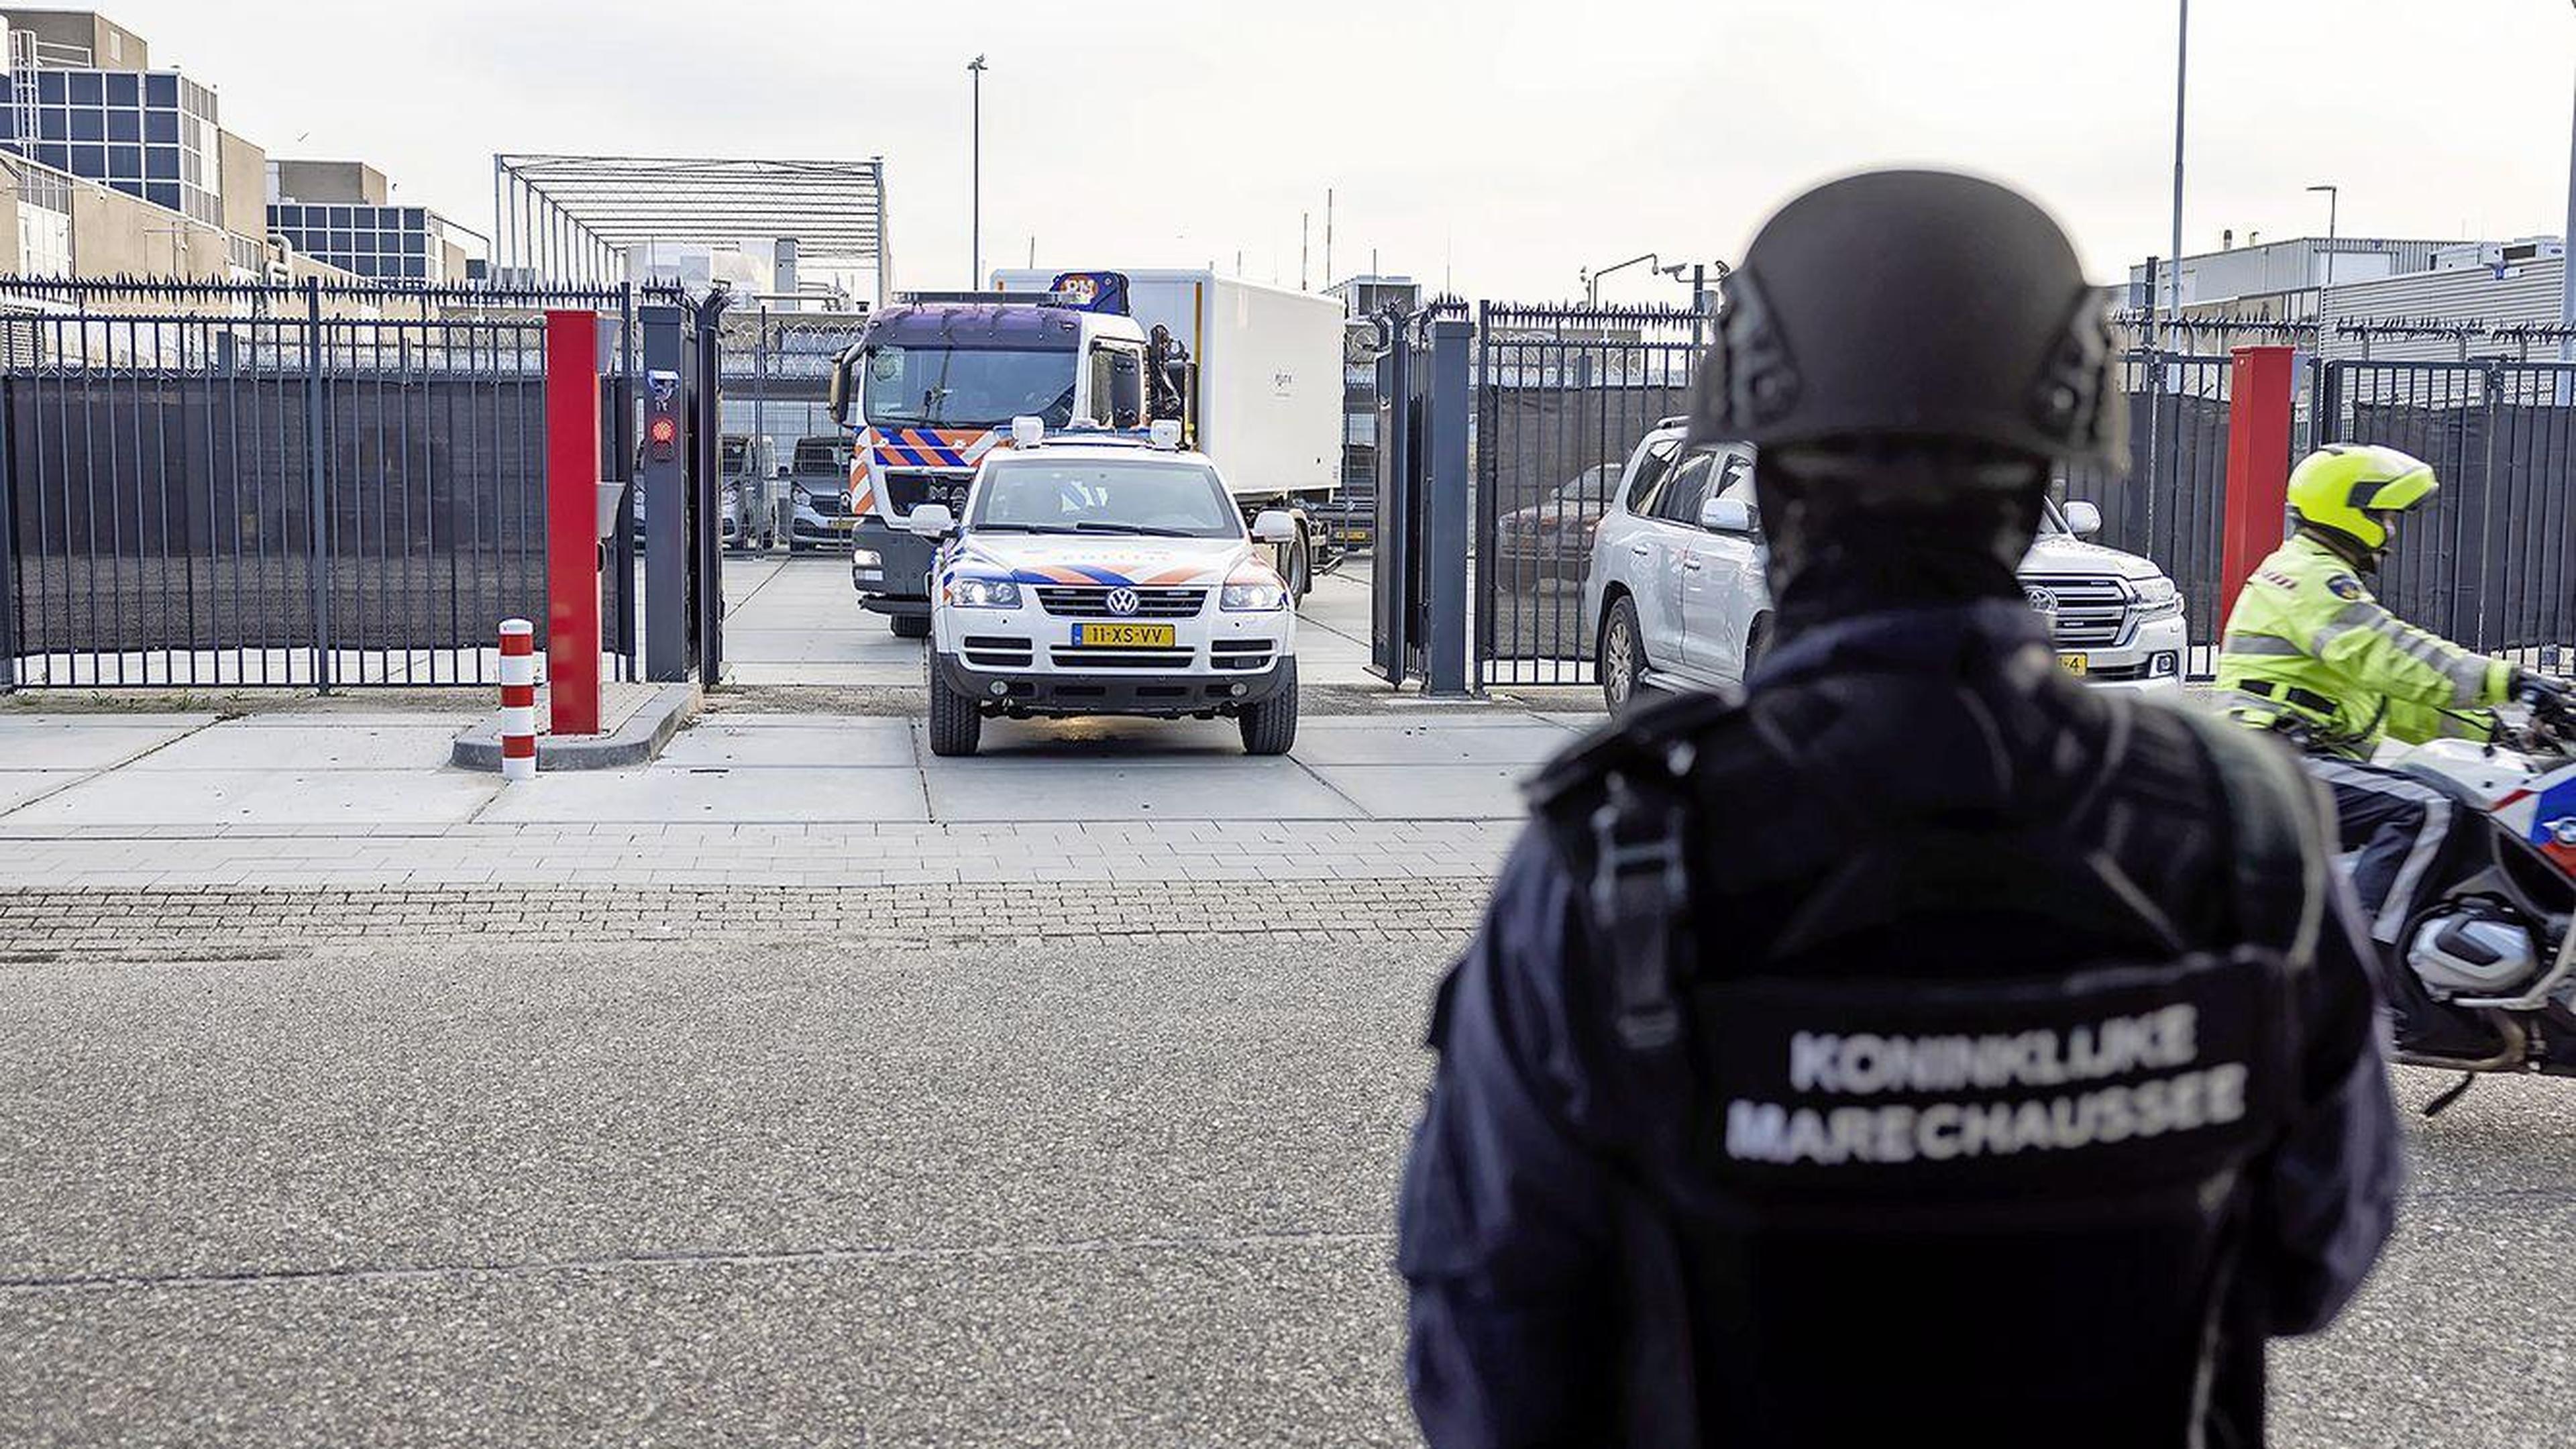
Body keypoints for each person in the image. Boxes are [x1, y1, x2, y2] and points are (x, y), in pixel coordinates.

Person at [1395, 170, 2402, 1448]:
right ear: (2043, 477)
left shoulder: (1616, 852)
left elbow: (1491, 1344)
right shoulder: (2243, 823)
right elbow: (2315, 1254)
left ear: (1766, 492)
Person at [2216, 443, 2570, 964]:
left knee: (2462, 798)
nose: (2392, 530)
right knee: (2427, 810)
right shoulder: (2310, 578)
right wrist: (2510, 679)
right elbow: (2393, 653)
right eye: (2385, 515)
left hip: (2295, 758)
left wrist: (2501, 733)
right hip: (2271, 763)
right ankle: (2358, 970)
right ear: (2349, 509)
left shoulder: (2315, 577)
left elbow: (2389, 698)